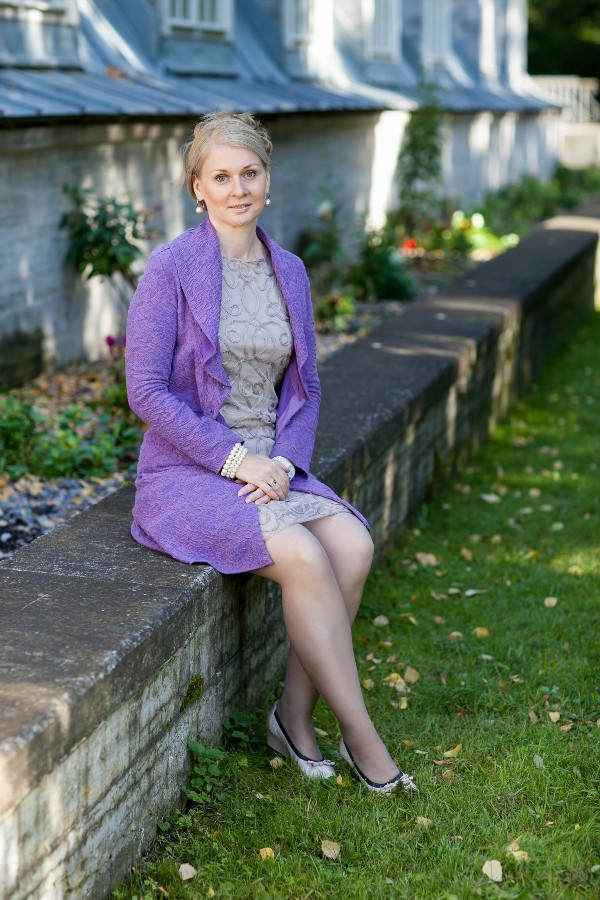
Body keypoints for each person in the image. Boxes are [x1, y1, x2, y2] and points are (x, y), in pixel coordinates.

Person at [125, 112, 417, 796]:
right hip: (190, 471)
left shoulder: (289, 270)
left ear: (267, 179)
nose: (238, 189)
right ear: (197, 187)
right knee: (305, 557)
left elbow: (305, 388)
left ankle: (291, 717)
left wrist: (284, 462)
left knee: (353, 547)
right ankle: (363, 740)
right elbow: (146, 390)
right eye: (221, 177)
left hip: (273, 467)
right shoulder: (171, 269)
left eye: (249, 173)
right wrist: (236, 461)